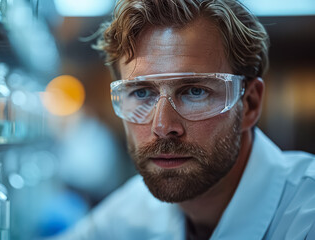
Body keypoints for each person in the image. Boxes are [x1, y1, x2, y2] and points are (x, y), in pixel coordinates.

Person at [50, 0, 315, 239]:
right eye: (141, 93)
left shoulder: (304, 218)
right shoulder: (134, 210)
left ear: (250, 104)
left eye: (195, 92)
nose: (163, 127)